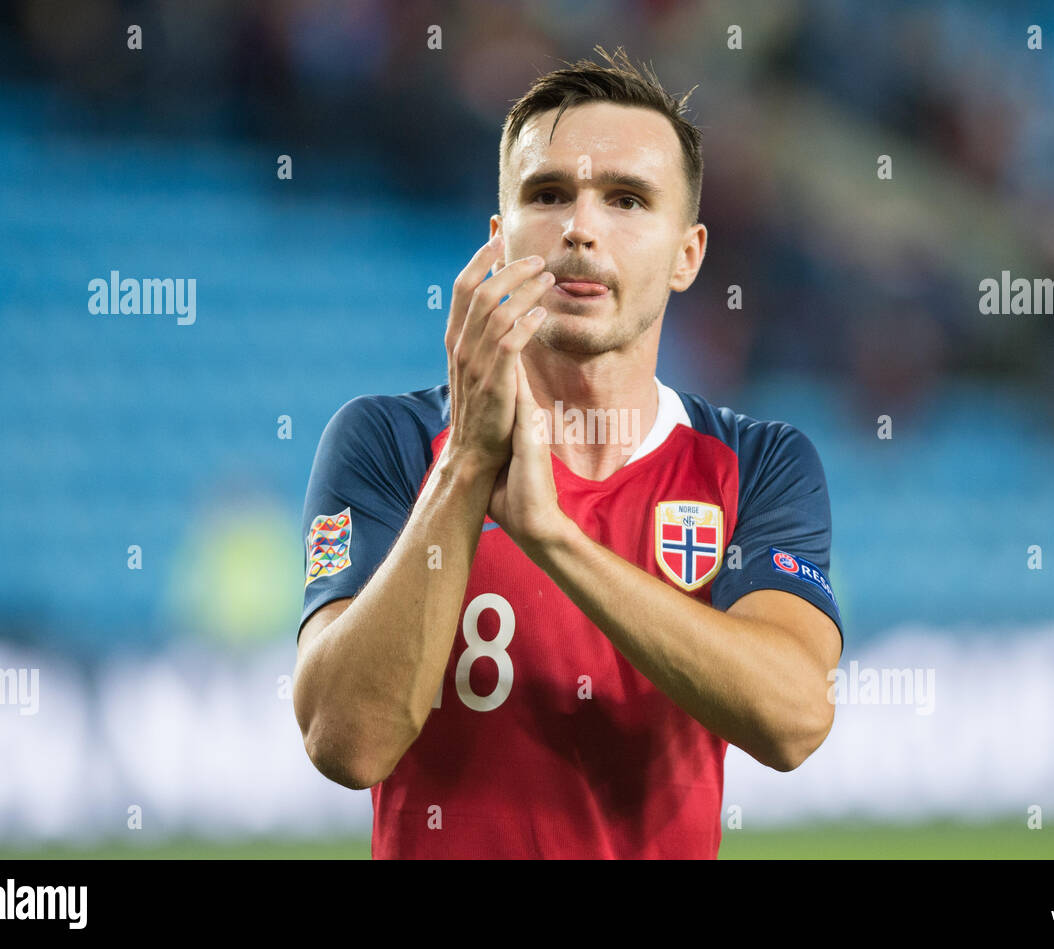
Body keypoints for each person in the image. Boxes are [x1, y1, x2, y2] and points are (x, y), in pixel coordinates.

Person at [292, 46, 843, 858]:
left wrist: (553, 538)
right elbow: (345, 742)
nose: (582, 228)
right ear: (498, 237)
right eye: (549, 194)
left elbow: (794, 719)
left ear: (687, 254)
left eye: (627, 199)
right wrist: (467, 466)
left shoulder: (757, 465)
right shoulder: (390, 442)